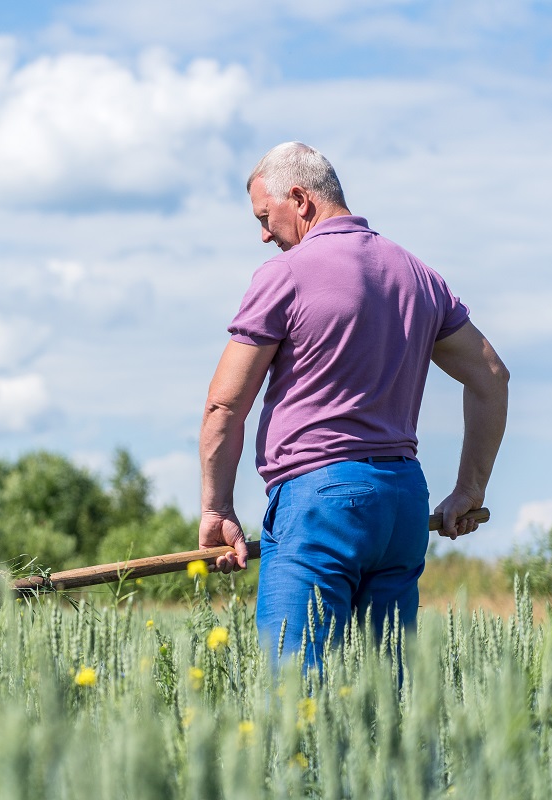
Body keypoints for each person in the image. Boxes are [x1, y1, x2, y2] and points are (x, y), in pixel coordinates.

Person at [198, 142, 509, 669]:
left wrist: (217, 509)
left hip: (320, 503)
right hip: (401, 505)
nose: (264, 235)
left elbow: (224, 407)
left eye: (264, 216)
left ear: (299, 198)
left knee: (298, 698)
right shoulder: (418, 276)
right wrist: (469, 488)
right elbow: (492, 377)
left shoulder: (285, 275)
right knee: (382, 708)